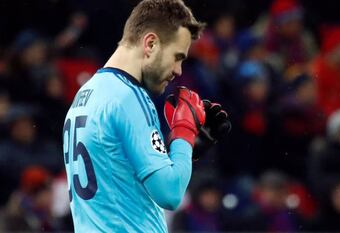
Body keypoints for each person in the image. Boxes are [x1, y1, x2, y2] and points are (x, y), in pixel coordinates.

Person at [62, 0, 230, 232]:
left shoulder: (86, 94)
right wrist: (184, 133)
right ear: (150, 43)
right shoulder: (129, 96)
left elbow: (118, 175)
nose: (178, 70)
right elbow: (169, 194)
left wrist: (183, 153)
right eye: (177, 57)